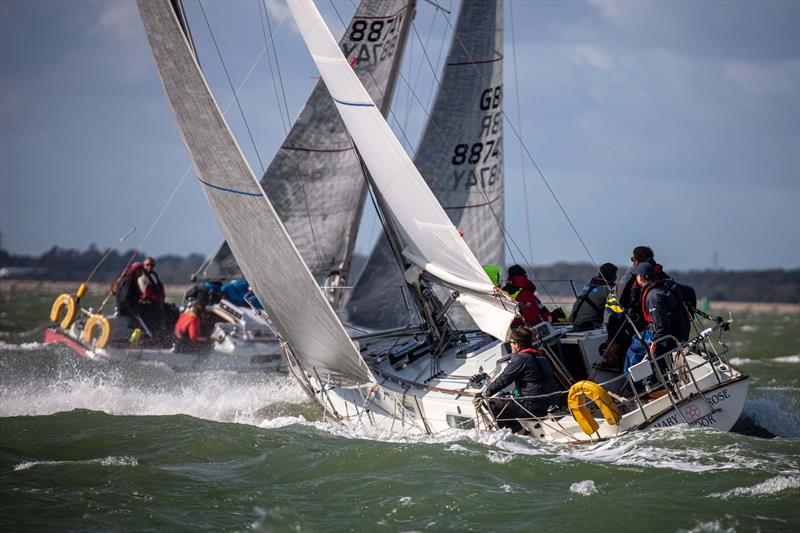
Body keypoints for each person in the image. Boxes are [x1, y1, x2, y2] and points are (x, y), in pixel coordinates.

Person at [473, 326, 562, 433]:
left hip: (536, 407)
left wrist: (485, 393)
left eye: (511, 343)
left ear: (517, 344)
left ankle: (521, 433)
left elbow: (503, 380)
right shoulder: (541, 355)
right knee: (507, 396)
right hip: (553, 401)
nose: (511, 346)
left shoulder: (521, 359)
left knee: (493, 404)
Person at [624, 262, 690, 375]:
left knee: (633, 350)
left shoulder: (654, 296)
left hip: (666, 338)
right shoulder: (663, 287)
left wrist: (653, 344)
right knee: (635, 338)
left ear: (641, 277)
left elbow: (662, 327)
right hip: (677, 332)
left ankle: (633, 384)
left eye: (637, 276)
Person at [569, 263, 618, 331]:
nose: (616, 277)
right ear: (613, 276)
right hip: (588, 326)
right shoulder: (608, 289)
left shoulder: (588, 285)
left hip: (572, 322)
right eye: (615, 274)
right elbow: (616, 310)